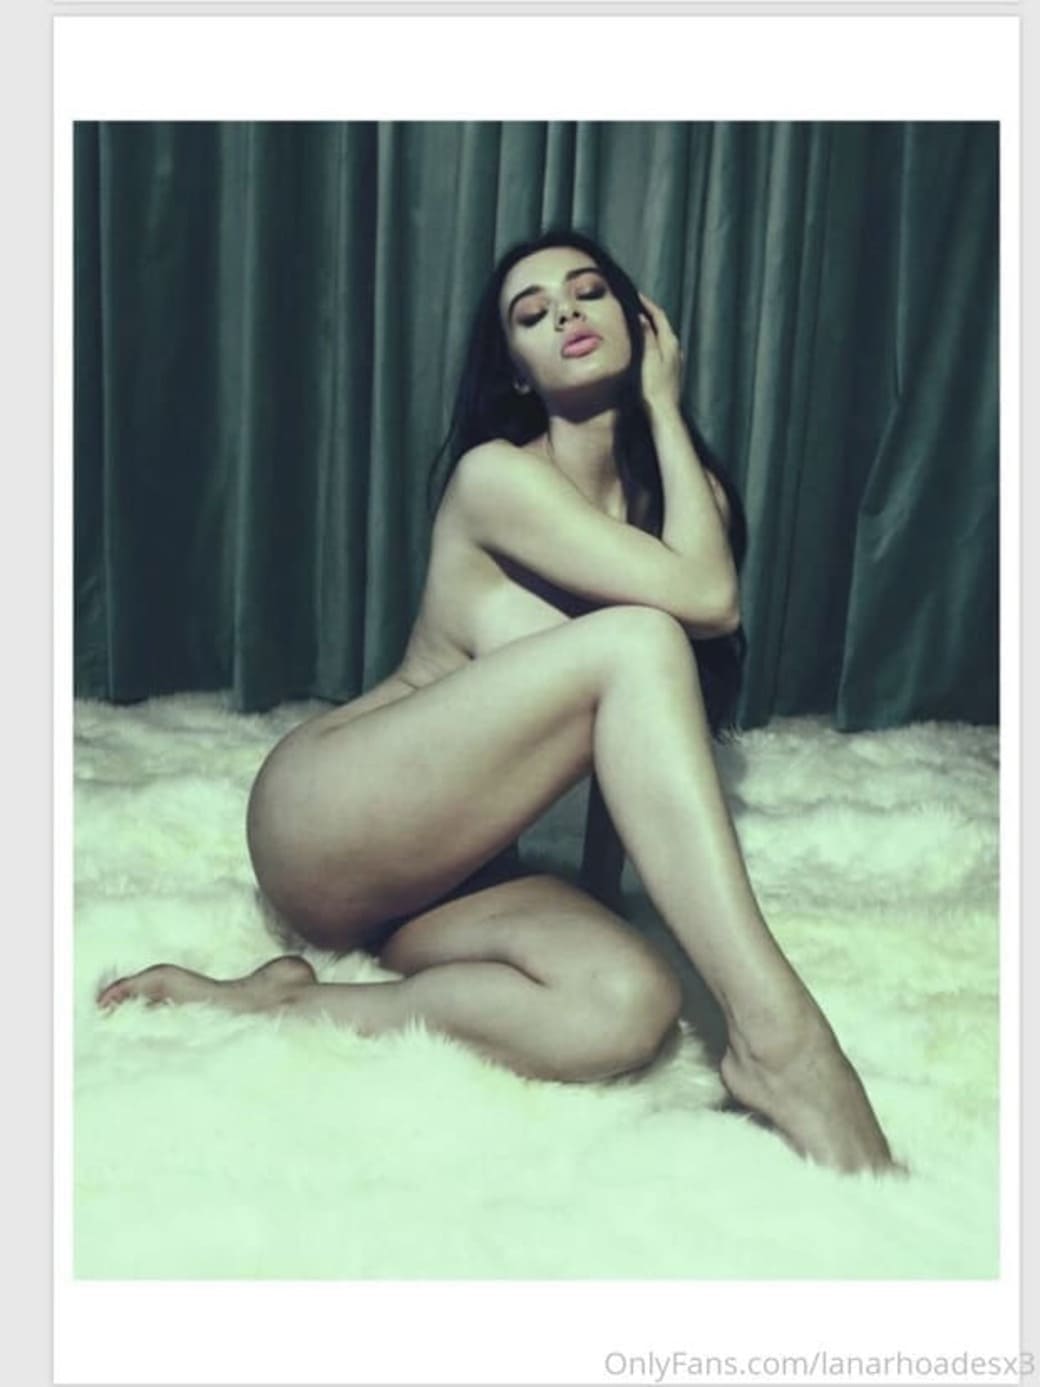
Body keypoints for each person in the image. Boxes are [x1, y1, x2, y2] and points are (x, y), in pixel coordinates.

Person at [98, 229, 898, 1175]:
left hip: (454, 876)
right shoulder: (498, 478)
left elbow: (643, 739)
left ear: (639, 323)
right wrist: (662, 406)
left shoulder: (683, 511)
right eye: (533, 311)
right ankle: (781, 1039)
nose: (566, 314)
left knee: (626, 1004)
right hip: (334, 813)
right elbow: (709, 601)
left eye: (589, 292)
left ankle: (289, 1001)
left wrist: (664, 415)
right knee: (642, 638)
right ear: (515, 367)